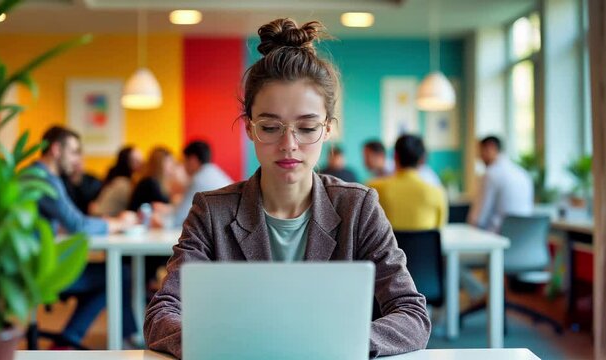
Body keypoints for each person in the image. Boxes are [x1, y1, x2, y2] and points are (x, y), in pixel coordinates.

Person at [144, 18, 430, 358]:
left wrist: (338, 344)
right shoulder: (211, 211)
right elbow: (161, 315)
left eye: (307, 128)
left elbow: (412, 314)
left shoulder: (359, 208)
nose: (289, 144)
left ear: (327, 130)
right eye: (270, 126)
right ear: (249, 128)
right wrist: (228, 344)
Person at [32, 126, 139, 348]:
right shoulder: (44, 179)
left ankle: (72, 337)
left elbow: (65, 223)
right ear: (55, 149)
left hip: (39, 261)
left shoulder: (35, 175)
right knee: (118, 273)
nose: (76, 159)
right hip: (42, 269)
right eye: (73, 151)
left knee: (115, 273)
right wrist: (117, 223)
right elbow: (77, 224)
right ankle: (79, 338)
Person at [368, 134, 447, 230]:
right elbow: (439, 229)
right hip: (423, 245)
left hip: (390, 245)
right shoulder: (438, 192)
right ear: (422, 160)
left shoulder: (373, 189)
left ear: (395, 157)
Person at [467, 136, 534, 233]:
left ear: (491, 148)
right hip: (524, 239)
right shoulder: (523, 174)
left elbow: (478, 218)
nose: (479, 157)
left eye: (480, 152)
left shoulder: (491, 174)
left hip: (497, 239)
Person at [169, 140, 233, 228]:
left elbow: (180, 219)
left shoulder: (198, 179)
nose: (183, 166)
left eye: (184, 161)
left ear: (192, 160)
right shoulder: (215, 172)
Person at [90, 146, 143, 217]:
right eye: (137, 161)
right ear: (127, 163)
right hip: (104, 220)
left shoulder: (116, 180)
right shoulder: (124, 183)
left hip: (101, 218)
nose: (142, 164)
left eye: (142, 160)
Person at [363, 139, 441, 186]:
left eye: (367, 156)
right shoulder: (375, 176)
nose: (365, 161)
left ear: (380, 155)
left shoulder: (397, 170)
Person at [128, 146, 174, 212]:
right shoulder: (150, 183)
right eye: (168, 162)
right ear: (159, 164)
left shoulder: (157, 182)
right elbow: (159, 206)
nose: (172, 165)